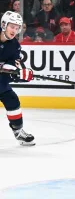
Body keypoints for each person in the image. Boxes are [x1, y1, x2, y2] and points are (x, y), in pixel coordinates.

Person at [0, 11, 35, 146]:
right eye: (12, 26)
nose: (14, 30)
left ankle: (18, 131)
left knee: (13, 101)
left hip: (0, 82)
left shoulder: (14, 45)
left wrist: (21, 74)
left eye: (17, 27)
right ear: (4, 24)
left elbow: (12, 67)